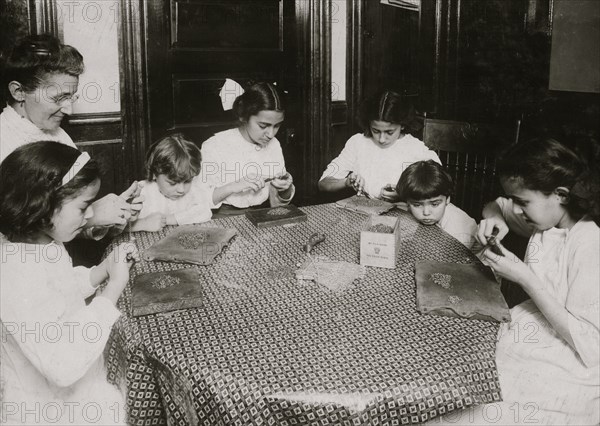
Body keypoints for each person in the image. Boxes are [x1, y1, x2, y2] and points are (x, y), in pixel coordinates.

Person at [431, 138, 599, 425]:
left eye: (523, 202)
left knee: (477, 413)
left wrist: (525, 279)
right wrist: (497, 219)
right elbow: (496, 205)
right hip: (531, 331)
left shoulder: (589, 240)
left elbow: (591, 346)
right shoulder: (546, 218)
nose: (518, 210)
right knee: (448, 385)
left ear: (561, 194)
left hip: (570, 360)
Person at [0, 141, 139, 425]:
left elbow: (59, 293)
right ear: (42, 207)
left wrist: (100, 272)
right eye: (83, 207)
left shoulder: (44, 242)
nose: (90, 215)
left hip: (77, 392)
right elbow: (62, 364)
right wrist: (110, 292)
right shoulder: (15, 273)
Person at [0, 33, 141, 239]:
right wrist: (93, 215)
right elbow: (12, 233)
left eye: (71, 97)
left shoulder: (57, 133)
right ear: (19, 91)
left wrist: (113, 214)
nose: (69, 109)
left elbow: (68, 222)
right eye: (59, 98)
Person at [318, 90, 441, 200]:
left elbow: (439, 188)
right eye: (375, 131)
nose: (382, 139)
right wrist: (346, 182)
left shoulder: (415, 149)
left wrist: (404, 194)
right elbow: (323, 183)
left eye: (389, 132)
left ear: (402, 125)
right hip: (365, 210)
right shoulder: (358, 143)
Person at [200, 82, 294, 216]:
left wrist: (284, 188)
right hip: (223, 218)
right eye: (263, 126)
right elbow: (199, 200)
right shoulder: (215, 145)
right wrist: (235, 186)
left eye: (277, 126)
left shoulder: (274, 144)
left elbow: (277, 203)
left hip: (264, 214)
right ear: (243, 116)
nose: (271, 134)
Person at [131, 134, 214, 231]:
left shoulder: (193, 189)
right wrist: (143, 224)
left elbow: (204, 211)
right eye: (173, 183)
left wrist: (168, 219)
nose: (181, 190)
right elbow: (115, 227)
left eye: (187, 181)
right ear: (154, 174)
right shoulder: (141, 192)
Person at [396, 160, 480, 250]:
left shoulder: (458, 232)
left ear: (447, 199)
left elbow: (448, 263)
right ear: (408, 202)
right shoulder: (413, 207)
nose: (426, 213)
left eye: (435, 204)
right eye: (417, 205)